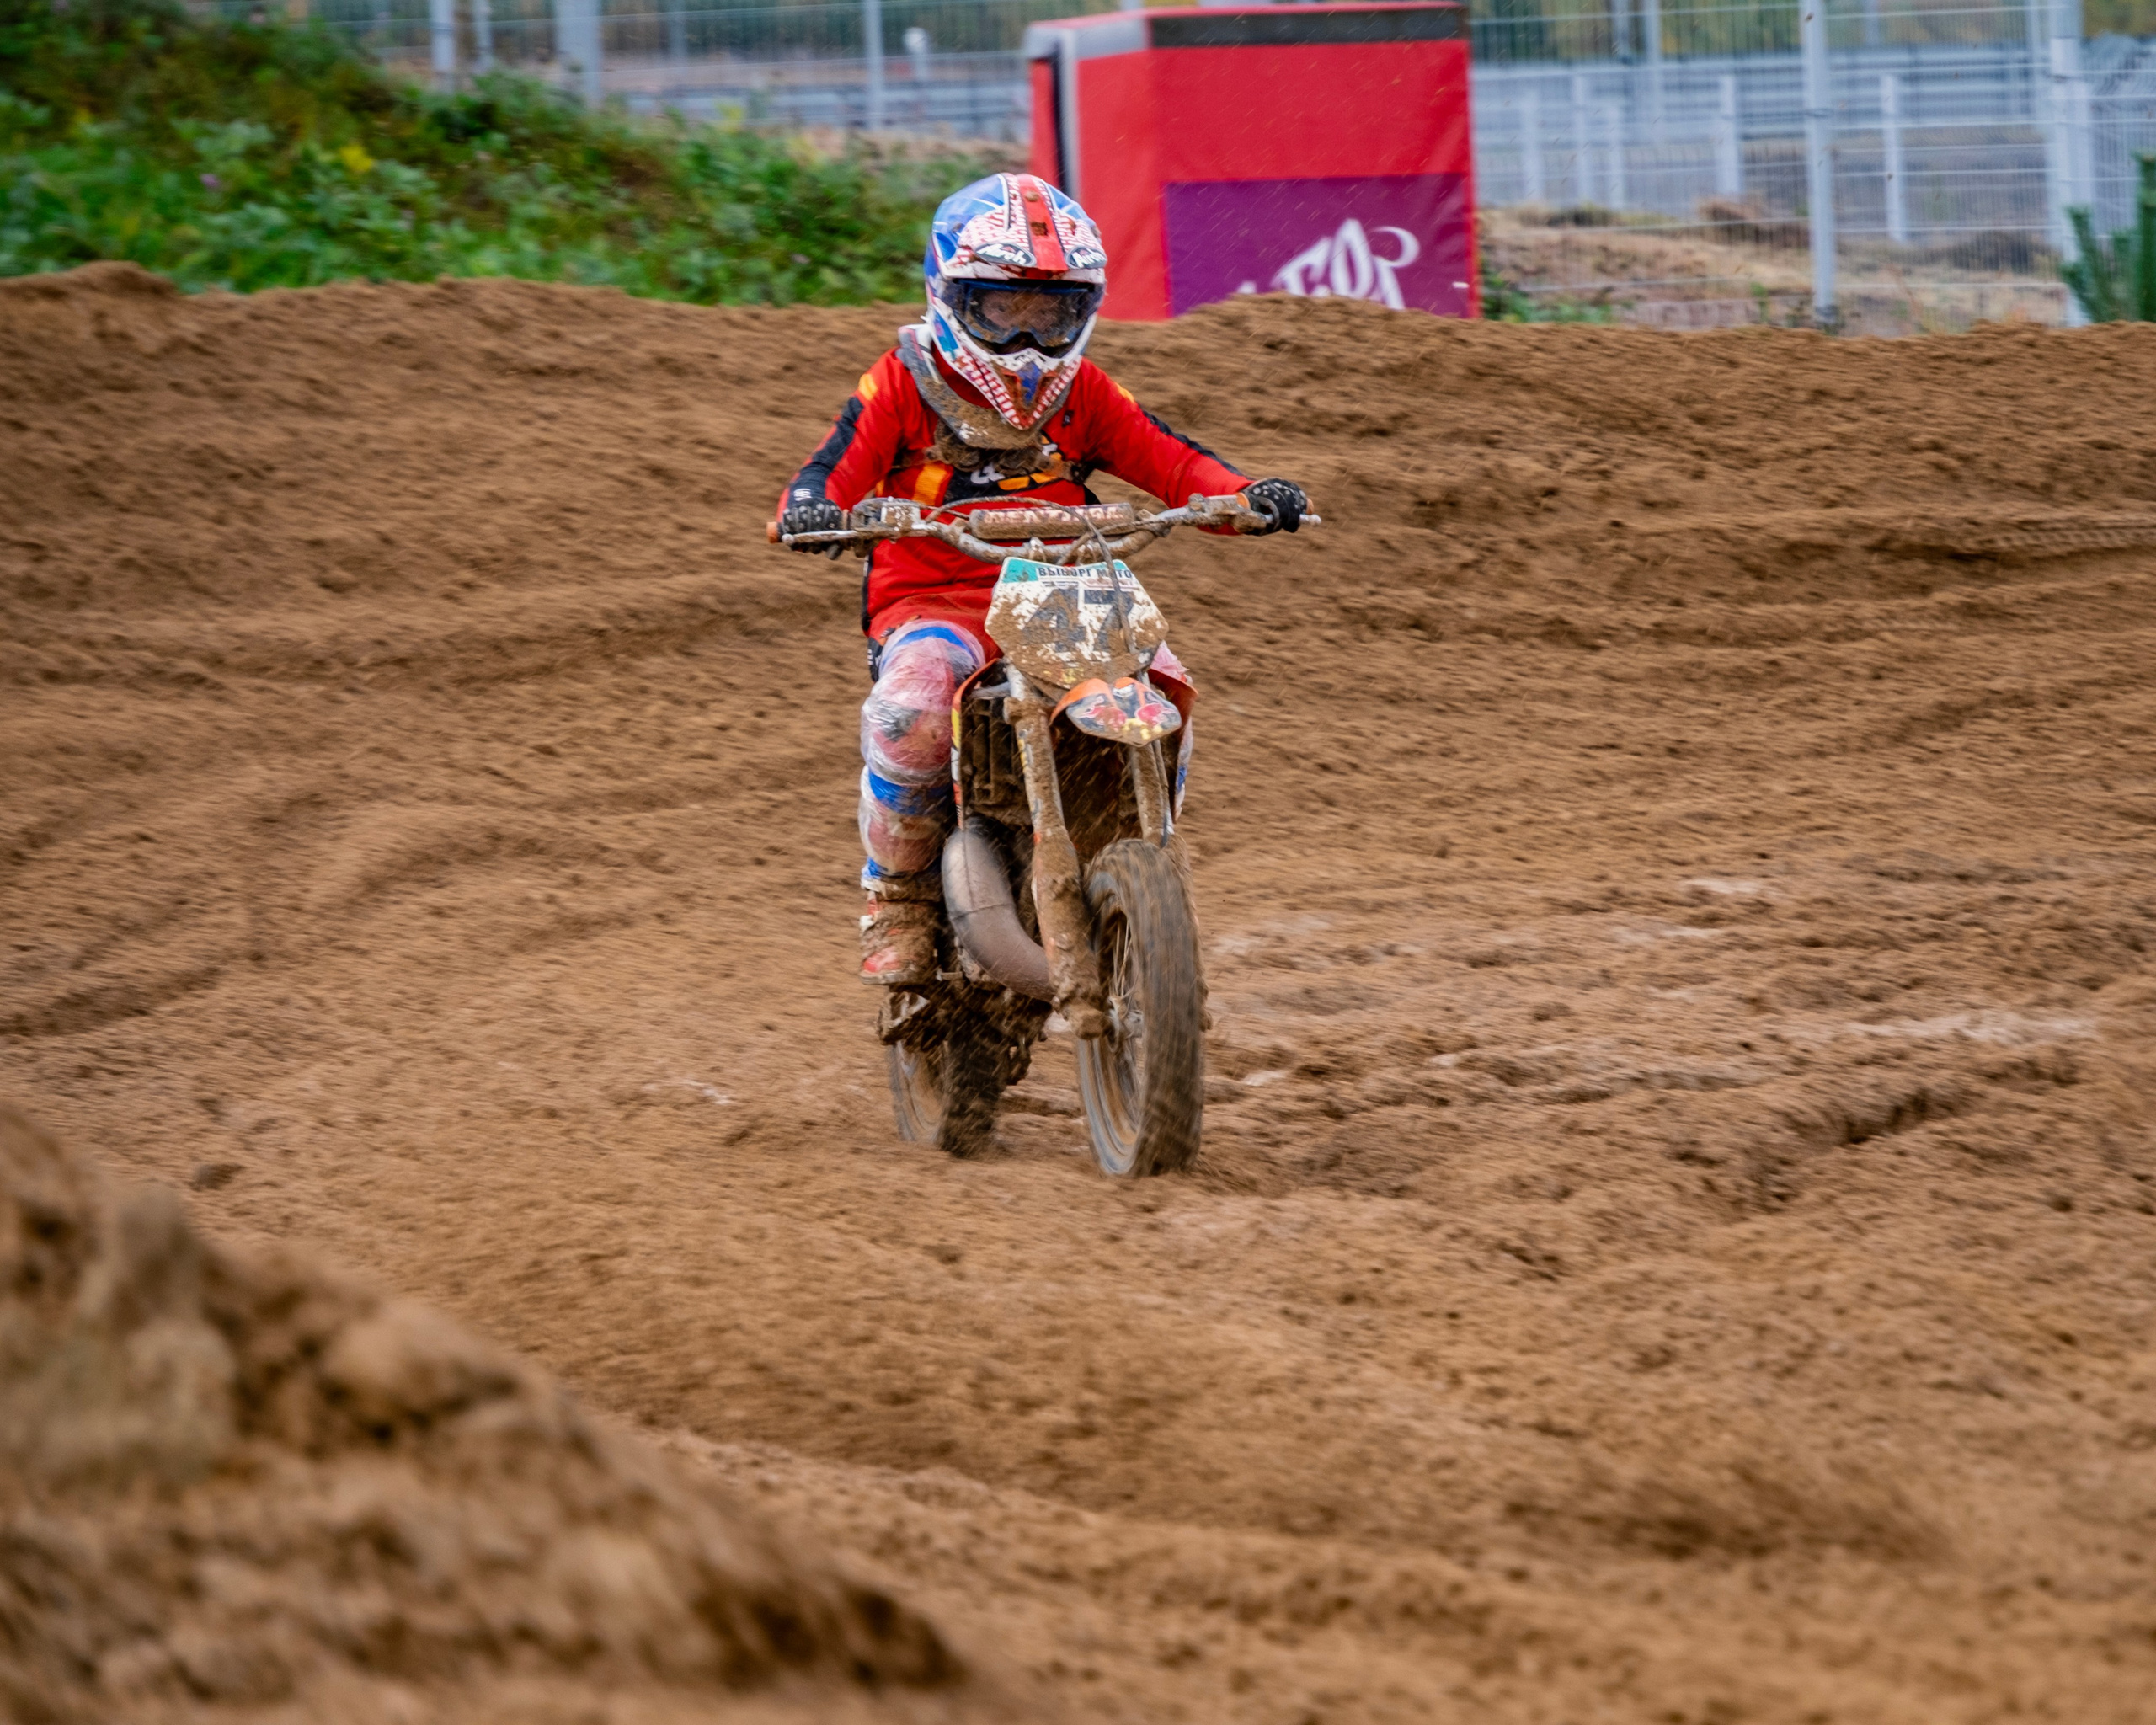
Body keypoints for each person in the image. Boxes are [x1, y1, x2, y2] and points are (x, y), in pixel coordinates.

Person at [775, 172, 1308, 986]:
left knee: (1164, 694)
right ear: (951, 295)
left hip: (1065, 587)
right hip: (935, 597)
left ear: (1082, 309)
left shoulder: (1083, 391)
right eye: (1004, 309)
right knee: (913, 714)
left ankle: (1136, 852)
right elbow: (831, 469)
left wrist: (1246, 496)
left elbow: (1171, 460)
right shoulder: (904, 380)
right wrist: (812, 510)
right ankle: (898, 899)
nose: (1028, 339)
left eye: (1050, 313)